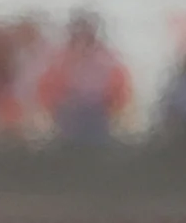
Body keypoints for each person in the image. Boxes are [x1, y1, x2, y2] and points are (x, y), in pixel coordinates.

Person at [38, 13, 131, 143]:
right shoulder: (58, 61)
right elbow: (46, 94)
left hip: (99, 119)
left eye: (86, 35)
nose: (82, 41)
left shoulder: (107, 60)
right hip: (67, 119)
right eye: (78, 34)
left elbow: (120, 95)